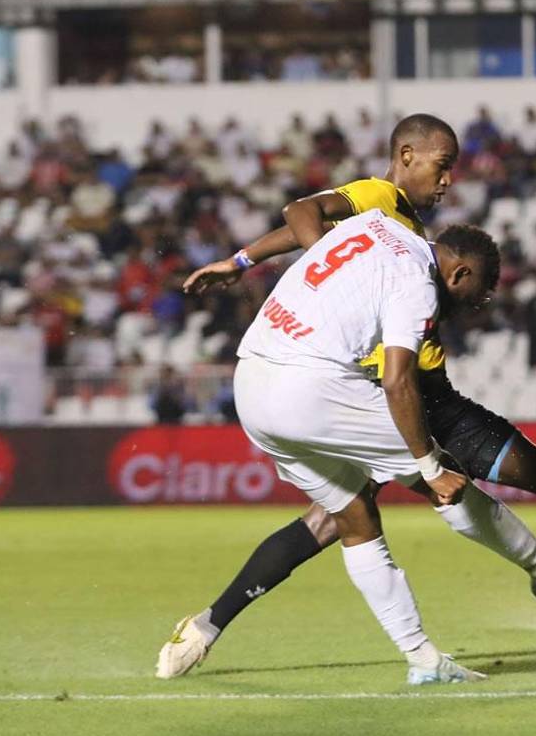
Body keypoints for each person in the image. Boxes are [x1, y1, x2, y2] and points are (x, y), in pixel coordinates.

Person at [160, 114, 536, 676]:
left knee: (339, 519)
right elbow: (302, 212)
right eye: (440, 166)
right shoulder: (381, 201)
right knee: (527, 479)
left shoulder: (405, 235)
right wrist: (318, 277)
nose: (448, 181)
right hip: (405, 397)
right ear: (406, 157)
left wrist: (243, 258)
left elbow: (311, 234)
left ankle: (209, 625)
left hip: (384, 393)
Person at [181, 213, 496, 685]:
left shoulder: (372, 220)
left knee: (352, 516)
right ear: (460, 274)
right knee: (440, 477)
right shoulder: (417, 279)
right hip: (310, 385)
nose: (479, 304)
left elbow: (304, 214)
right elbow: (397, 380)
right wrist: (427, 465)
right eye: (482, 291)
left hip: (252, 380)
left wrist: (242, 259)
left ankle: (424, 659)